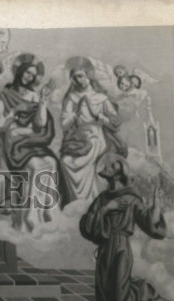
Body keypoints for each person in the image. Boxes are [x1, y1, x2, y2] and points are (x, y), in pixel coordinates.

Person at [0, 54, 70, 230]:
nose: (29, 77)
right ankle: (30, 215)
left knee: (52, 163)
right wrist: (13, 113)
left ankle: (48, 212)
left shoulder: (34, 95)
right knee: (39, 166)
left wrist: (42, 101)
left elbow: (40, 123)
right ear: (20, 72)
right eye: (27, 73)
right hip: (14, 143)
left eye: (33, 75)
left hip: (30, 142)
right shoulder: (5, 95)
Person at [79, 153, 166, 301]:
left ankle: (145, 290)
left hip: (120, 248)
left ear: (119, 174)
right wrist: (106, 209)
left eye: (112, 166)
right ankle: (132, 289)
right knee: (103, 298)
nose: (107, 168)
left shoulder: (131, 198)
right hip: (105, 248)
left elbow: (150, 224)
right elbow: (88, 224)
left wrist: (157, 204)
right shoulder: (102, 199)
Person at [59, 57, 127, 203]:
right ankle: (76, 204)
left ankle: (93, 202)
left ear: (88, 76)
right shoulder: (72, 98)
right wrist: (72, 116)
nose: (77, 80)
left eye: (80, 76)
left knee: (92, 159)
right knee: (66, 161)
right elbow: (64, 124)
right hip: (77, 139)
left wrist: (104, 119)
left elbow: (116, 121)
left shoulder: (101, 98)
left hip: (97, 138)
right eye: (74, 77)